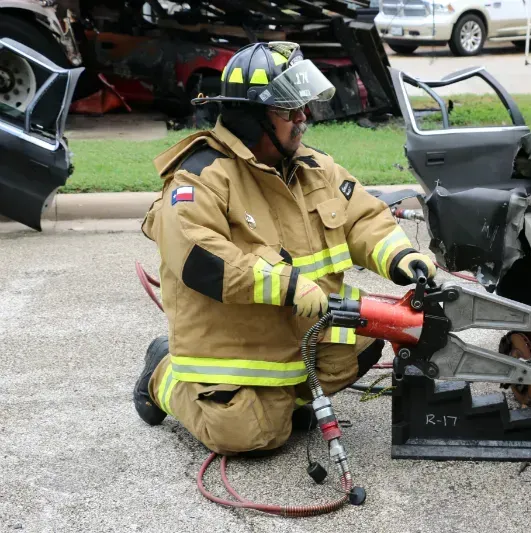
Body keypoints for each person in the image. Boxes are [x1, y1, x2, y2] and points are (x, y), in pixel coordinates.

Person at [134, 41, 436, 456]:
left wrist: (404, 257)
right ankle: (162, 373)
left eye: (303, 108)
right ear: (250, 118)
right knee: (246, 435)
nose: (302, 119)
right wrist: (288, 286)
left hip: (303, 332)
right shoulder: (200, 178)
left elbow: (363, 217)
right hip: (234, 345)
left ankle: (284, 402)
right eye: (288, 111)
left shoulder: (313, 167)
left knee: (367, 342)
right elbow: (199, 257)